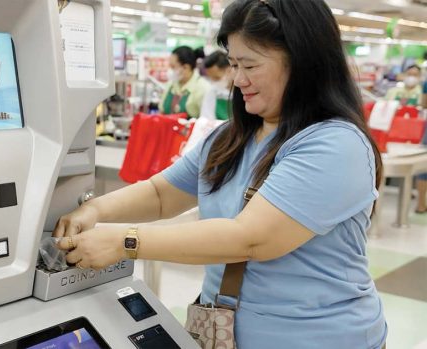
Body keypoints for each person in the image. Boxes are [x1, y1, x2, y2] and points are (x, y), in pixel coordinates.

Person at [53, 0, 387, 348]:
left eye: (250, 65)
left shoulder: (335, 145)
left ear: (303, 62)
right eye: (232, 64)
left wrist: (126, 242)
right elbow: (160, 194)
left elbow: (250, 239)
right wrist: (95, 209)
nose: (237, 79)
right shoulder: (231, 138)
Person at [158, 46, 210, 119]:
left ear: (186, 67)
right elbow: (161, 111)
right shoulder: (171, 84)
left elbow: (205, 120)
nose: (170, 71)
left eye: (173, 67)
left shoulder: (203, 88)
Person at [201, 50, 232, 120]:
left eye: (216, 78)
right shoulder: (212, 91)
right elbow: (206, 118)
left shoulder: (243, 92)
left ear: (229, 70)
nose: (213, 82)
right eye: (210, 78)